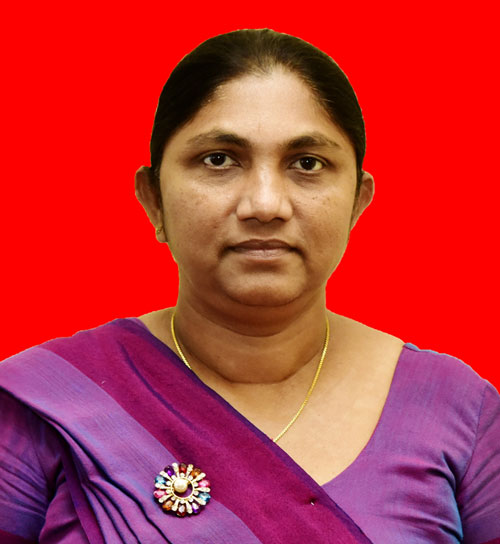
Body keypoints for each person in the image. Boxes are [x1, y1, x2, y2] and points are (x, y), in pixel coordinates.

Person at [0, 28, 499, 544]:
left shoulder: (460, 413)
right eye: (219, 159)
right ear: (153, 200)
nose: (265, 205)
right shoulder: (43, 406)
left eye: (307, 164)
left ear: (357, 202)